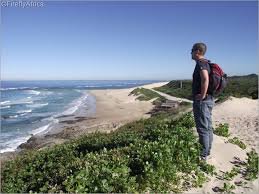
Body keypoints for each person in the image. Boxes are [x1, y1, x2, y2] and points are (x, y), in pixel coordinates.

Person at [191, 42, 214, 161]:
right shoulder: (206, 62)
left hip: (203, 102)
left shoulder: (201, 63)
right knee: (208, 127)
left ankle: (203, 155)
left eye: (192, 50)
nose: (190, 53)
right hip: (209, 100)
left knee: (203, 129)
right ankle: (207, 151)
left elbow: (205, 78)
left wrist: (202, 95)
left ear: (198, 51)